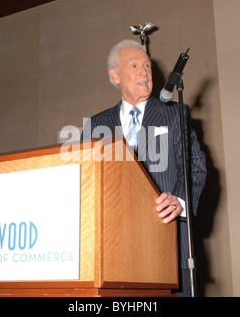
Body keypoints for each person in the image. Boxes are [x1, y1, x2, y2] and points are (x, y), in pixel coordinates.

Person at [82, 39, 207, 296]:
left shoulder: (175, 114)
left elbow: (195, 167)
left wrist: (180, 202)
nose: (145, 72)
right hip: (113, 255)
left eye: (148, 66)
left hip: (169, 248)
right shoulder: (95, 125)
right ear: (115, 75)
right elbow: (84, 182)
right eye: (135, 65)